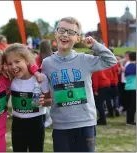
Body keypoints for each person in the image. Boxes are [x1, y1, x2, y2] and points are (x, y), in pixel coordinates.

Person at [41, 17, 117, 152]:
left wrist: (95, 45)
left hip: (85, 123)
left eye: (71, 32)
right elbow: (45, 90)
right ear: (56, 34)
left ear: (77, 38)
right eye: (62, 30)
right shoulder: (47, 64)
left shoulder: (85, 59)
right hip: (61, 125)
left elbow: (111, 60)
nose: (65, 34)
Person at [4, 43, 52, 152]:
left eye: (17, 61)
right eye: (10, 63)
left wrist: (44, 101)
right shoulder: (10, 79)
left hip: (37, 122)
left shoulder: (40, 78)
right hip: (17, 123)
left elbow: (50, 100)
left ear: (26, 61)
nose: (13, 66)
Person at [38, 39, 53, 128]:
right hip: (49, 80)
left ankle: (49, 118)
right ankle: (49, 118)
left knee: (45, 100)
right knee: (48, 100)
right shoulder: (52, 56)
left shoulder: (39, 57)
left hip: (42, 81)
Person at [124, 51, 136, 126]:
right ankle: (130, 121)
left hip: (128, 87)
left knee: (129, 105)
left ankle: (129, 120)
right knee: (133, 105)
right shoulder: (134, 66)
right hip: (133, 88)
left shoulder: (128, 66)